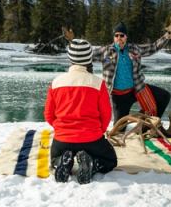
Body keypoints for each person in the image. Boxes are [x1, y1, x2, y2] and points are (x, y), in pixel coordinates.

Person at [44, 39, 117, 184]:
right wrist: (98, 131)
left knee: (53, 160)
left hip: (62, 140)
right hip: (92, 139)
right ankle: (93, 164)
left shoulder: (56, 82)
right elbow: (106, 114)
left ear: (70, 58)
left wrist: (61, 129)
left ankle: (62, 161)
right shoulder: (98, 83)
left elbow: (48, 114)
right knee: (110, 160)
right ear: (89, 58)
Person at [92, 22, 171, 123]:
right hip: (119, 97)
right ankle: (141, 119)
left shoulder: (134, 49)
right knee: (120, 129)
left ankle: (147, 124)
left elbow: (153, 47)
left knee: (164, 96)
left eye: (122, 35)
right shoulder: (105, 51)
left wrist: (167, 36)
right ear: (113, 37)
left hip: (137, 90)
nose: (119, 38)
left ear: (126, 37)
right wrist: (72, 42)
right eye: (116, 35)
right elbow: (86, 54)